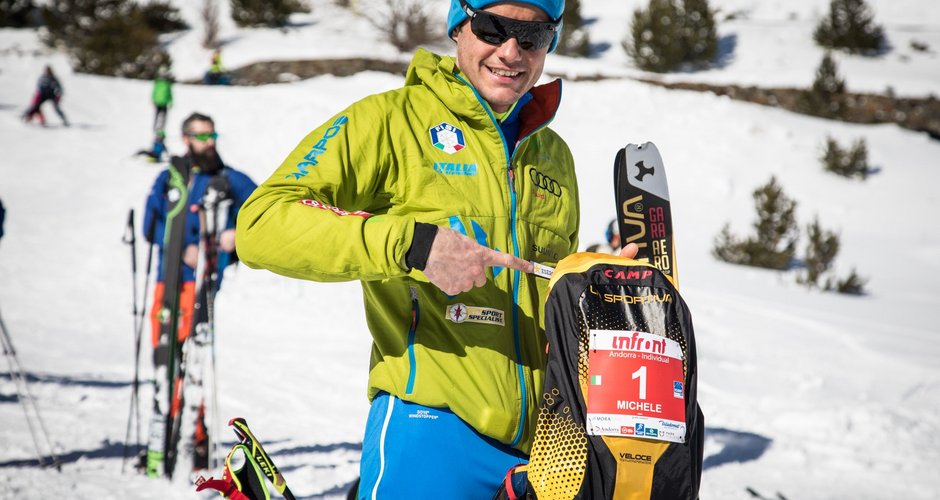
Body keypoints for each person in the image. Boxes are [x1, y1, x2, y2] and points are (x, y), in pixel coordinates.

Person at [235, 1, 637, 497]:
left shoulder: (553, 156)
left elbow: (547, 297)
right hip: (433, 431)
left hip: (547, 452)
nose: (511, 51)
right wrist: (415, 245)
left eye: (533, 37)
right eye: (494, 28)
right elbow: (261, 224)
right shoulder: (390, 122)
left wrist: (595, 285)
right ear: (459, 26)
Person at [143, 112, 257, 361]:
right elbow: (151, 225)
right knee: (165, 351)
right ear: (186, 139)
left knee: (194, 351)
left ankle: (192, 396)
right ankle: (164, 395)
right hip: (170, 275)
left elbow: (263, 211)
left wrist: (238, 234)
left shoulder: (228, 178)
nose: (210, 142)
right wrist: (183, 249)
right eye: (202, 136)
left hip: (205, 279)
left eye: (212, 135)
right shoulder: (169, 178)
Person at [152, 65, 174, 136]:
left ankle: (159, 128)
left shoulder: (160, 83)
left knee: (159, 115)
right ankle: (158, 128)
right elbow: (169, 94)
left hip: (161, 102)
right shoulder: (163, 83)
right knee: (161, 115)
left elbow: (154, 92)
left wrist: (153, 99)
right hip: (162, 102)